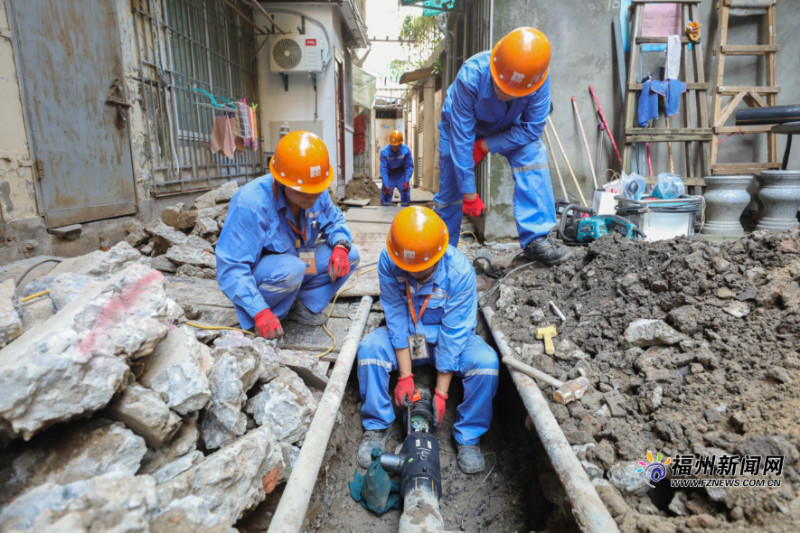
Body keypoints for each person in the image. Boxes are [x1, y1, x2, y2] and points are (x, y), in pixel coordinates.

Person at [356, 206, 498, 474]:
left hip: (447, 342)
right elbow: (396, 318)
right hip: (409, 339)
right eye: (408, 269)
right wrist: (405, 376)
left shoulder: (459, 272)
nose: (414, 274)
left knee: (486, 363)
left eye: (422, 269)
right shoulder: (391, 260)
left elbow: (453, 337)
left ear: (439, 254)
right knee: (370, 350)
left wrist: (441, 393)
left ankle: (468, 438)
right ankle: (377, 426)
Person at [433, 27, 572, 266]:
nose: (504, 95)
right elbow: (462, 137)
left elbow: (531, 129)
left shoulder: (537, 79)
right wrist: (469, 193)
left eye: (512, 92)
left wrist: (486, 145)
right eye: (499, 87)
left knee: (533, 152)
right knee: (451, 185)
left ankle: (536, 239)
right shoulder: (471, 75)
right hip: (460, 125)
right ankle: (441, 253)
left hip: (508, 123)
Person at [216, 130, 359, 339]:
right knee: (293, 268)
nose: (313, 197)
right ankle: (264, 318)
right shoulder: (250, 204)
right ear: (282, 182)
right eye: (304, 192)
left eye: (317, 190)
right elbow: (231, 269)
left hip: (295, 264)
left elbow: (334, 220)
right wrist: (259, 311)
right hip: (267, 276)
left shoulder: (315, 190)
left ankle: (301, 304)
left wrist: (340, 247)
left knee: (351, 254)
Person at [379, 130, 414, 207]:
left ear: (401, 143)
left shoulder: (406, 150)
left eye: (397, 145)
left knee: (405, 192)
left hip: (401, 175)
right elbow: (383, 169)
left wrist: (406, 181)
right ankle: (385, 209)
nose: (395, 147)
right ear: (390, 143)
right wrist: (386, 185)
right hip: (390, 175)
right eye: (393, 145)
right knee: (386, 194)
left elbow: (409, 166)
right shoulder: (384, 152)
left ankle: (404, 209)